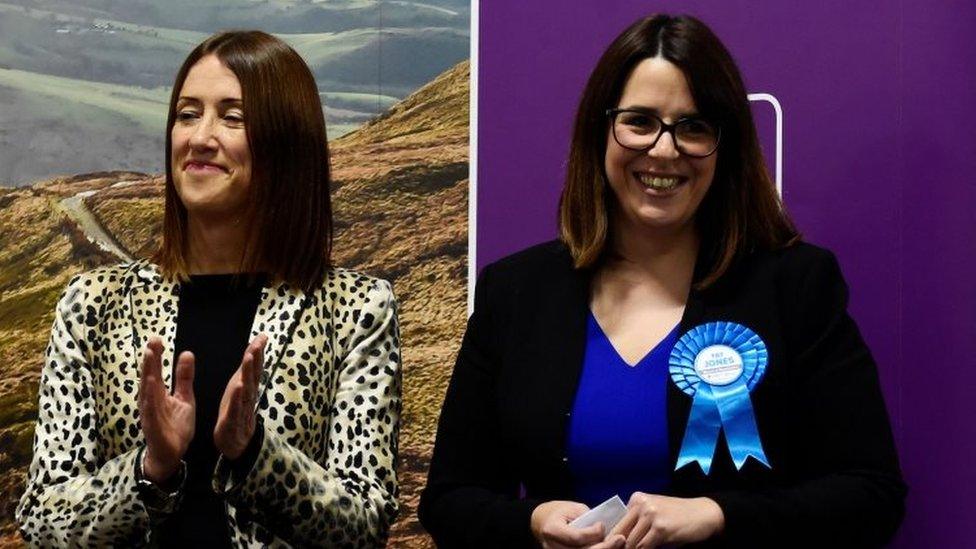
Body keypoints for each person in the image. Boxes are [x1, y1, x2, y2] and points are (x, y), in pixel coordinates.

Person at [419, 13, 905, 549]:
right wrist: (531, 522)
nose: (665, 150)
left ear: (726, 146)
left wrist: (718, 514)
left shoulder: (796, 286)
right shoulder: (514, 292)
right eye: (640, 122)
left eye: (694, 127)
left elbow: (871, 497)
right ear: (600, 129)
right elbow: (449, 501)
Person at [16, 31, 401, 548]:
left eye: (233, 117)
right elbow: (42, 521)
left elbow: (366, 523)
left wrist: (255, 452)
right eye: (187, 113)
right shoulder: (92, 304)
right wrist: (151, 468)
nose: (200, 136)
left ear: (286, 143)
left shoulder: (356, 310)